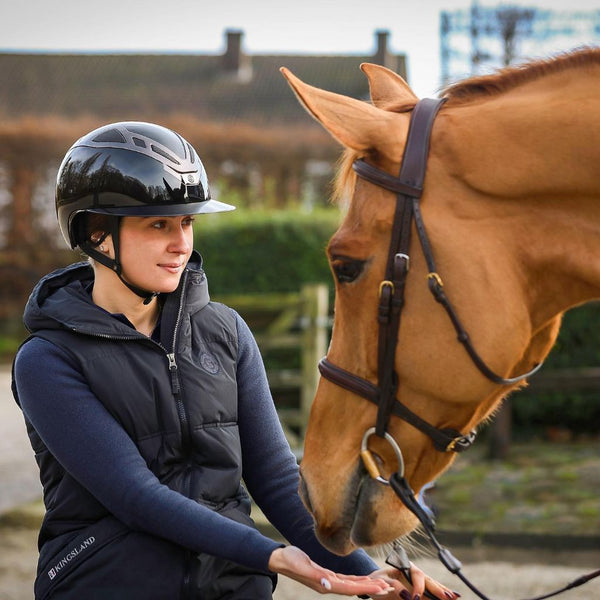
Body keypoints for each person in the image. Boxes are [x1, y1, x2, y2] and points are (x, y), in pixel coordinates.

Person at [11, 121, 457, 600]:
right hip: (109, 583)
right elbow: (133, 495)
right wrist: (269, 554)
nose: (182, 243)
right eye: (159, 225)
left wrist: (370, 575)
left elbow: (277, 479)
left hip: (232, 585)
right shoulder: (46, 361)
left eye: (187, 222)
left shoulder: (226, 332)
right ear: (97, 233)